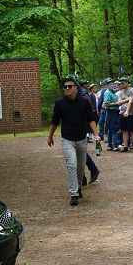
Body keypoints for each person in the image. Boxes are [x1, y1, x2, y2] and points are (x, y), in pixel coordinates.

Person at [48, 76, 101, 206]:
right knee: (72, 164)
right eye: (65, 87)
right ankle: (74, 194)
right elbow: (55, 121)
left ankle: (78, 187)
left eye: (70, 86)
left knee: (81, 167)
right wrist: (50, 136)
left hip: (82, 139)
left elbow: (91, 119)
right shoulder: (60, 103)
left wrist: (96, 134)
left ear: (76, 87)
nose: (67, 88)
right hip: (67, 139)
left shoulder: (84, 102)